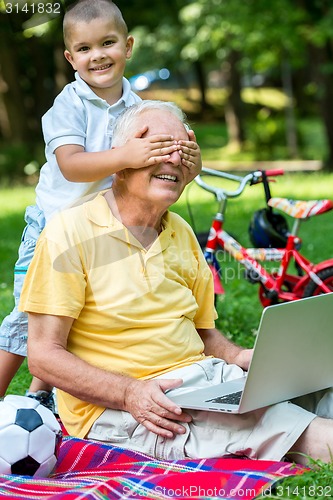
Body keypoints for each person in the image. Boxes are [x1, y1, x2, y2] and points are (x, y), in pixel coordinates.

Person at [20, 100, 333, 464]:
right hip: (134, 410)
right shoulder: (68, 233)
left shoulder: (180, 231)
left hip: (206, 383)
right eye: (157, 148)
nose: (172, 160)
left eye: (181, 150)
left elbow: (203, 334)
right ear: (121, 160)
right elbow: (43, 355)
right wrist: (129, 393)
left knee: (321, 385)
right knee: (298, 428)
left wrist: (246, 359)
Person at [0, 0, 201, 410]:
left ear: (127, 47)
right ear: (70, 57)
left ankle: (40, 401)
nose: (98, 56)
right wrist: (129, 154)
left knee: (74, 314)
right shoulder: (67, 106)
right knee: (29, 320)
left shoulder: (140, 108)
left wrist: (190, 164)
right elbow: (72, 166)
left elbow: (157, 170)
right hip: (54, 228)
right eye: (85, 48)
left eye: (107, 43)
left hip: (107, 227)